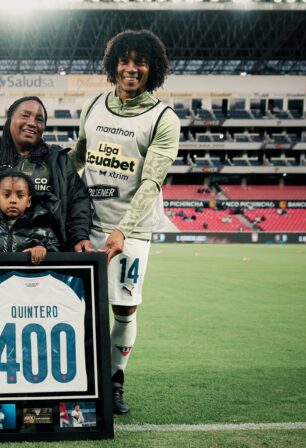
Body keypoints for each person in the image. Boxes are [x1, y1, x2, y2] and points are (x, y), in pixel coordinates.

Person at [69, 29, 180, 415]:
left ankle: (115, 381)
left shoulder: (164, 118)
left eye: (141, 62)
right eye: (125, 60)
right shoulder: (94, 104)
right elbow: (77, 158)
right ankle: (79, 377)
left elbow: (151, 180)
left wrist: (122, 230)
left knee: (124, 308)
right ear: (113, 64)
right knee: (77, 303)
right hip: (88, 223)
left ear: (154, 69)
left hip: (131, 230)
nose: (131, 69)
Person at [0, 96, 92, 253]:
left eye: (39, 119)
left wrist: (80, 237)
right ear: (10, 119)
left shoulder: (58, 161)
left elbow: (79, 202)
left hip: (45, 255)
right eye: (25, 115)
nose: (32, 123)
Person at [0, 169, 60, 264]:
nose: (13, 200)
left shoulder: (43, 230)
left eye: (20, 195)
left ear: (28, 201)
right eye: (6, 195)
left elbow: (58, 256)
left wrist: (42, 249)